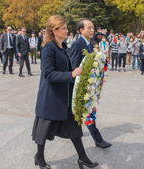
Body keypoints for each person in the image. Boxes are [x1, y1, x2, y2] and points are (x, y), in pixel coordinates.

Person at [32, 15, 98, 169]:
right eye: (64, 28)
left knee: (74, 129)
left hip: (65, 96)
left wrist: (87, 77)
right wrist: (71, 74)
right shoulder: (49, 48)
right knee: (44, 130)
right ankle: (39, 157)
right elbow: (48, 74)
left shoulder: (63, 47)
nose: (67, 30)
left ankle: (82, 158)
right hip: (51, 97)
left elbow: (70, 69)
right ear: (54, 30)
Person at [70, 19, 112, 149]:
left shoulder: (89, 44)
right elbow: (74, 65)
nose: (92, 30)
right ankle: (96, 139)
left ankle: (96, 139)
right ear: (81, 30)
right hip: (78, 85)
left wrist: (98, 76)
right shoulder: (78, 44)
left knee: (86, 113)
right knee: (85, 113)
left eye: (93, 28)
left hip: (87, 84)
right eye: (89, 28)